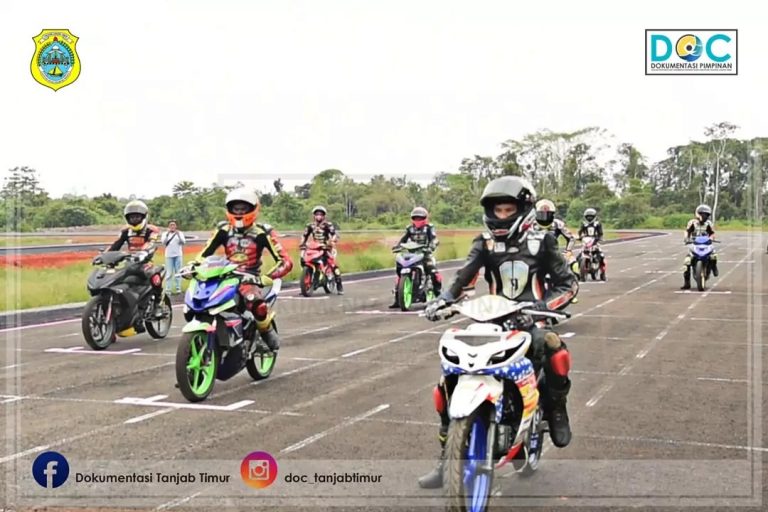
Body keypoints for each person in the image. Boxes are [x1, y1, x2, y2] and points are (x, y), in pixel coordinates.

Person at [417, 176, 578, 489]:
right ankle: (446, 459)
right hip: (491, 321)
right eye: (497, 210)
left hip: (532, 320)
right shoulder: (484, 242)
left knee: (551, 345)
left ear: (524, 209)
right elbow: (463, 278)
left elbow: (567, 284)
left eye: (508, 209)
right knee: (451, 374)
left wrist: (543, 307)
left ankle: (557, 409)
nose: (502, 215)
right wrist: (443, 300)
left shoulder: (543, 241)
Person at [194, 188, 293, 351]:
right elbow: (204, 253)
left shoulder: (263, 232)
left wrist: (265, 278)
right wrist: (194, 266)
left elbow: (286, 262)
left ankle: (267, 332)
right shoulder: (223, 229)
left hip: (249, 278)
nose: (239, 212)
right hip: (224, 276)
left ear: (253, 209)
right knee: (201, 299)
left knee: (257, 305)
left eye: (243, 208)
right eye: (236, 208)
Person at [107, 199, 164, 319]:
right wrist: (105, 255)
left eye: (137, 217)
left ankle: (158, 303)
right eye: (131, 217)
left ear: (144, 216)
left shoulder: (151, 230)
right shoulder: (125, 231)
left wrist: (144, 252)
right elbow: (116, 244)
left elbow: (151, 243)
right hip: (130, 262)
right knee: (116, 278)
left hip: (146, 261)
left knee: (154, 275)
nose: (134, 219)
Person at [389, 207, 443, 308]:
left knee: (433, 272)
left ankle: (439, 296)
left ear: (425, 218)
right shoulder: (410, 228)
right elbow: (403, 239)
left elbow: (434, 239)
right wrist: (398, 246)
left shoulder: (429, 228)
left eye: (420, 218)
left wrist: (431, 246)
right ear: (412, 218)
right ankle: (397, 298)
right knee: (400, 272)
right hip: (412, 254)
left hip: (425, 253)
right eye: (416, 218)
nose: (418, 220)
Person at [535, 199, 579, 303]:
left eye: (548, 213)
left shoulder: (558, 224)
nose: (545, 216)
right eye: (542, 214)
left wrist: (568, 251)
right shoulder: (531, 224)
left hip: (554, 254)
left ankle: (570, 292)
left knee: (574, 264)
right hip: (535, 254)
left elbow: (571, 238)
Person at [300, 206, 343, 295]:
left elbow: (334, 235)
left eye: (320, 214)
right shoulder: (310, 225)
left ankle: (339, 285)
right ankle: (305, 285)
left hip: (326, 247)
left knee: (333, 265)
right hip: (314, 247)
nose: (318, 216)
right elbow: (304, 235)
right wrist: (302, 244)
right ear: (314, 216)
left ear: (324, 216)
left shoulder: (328, 225)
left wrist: (331, 242)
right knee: (303, 260)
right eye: (317, 214)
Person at [681, 204, 718, 289]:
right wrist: (686, 238)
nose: (705, 216)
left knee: (713, 256)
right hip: (694, 244)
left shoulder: (709, 223)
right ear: (698, 214)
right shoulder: (692, 223)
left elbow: (712, 233)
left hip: (706, 244)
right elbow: (687, 232)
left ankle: (714, 267)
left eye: (707, 215)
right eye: (703, 214)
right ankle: (687, 283)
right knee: (687, 262)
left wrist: (711, 238)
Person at [577, 207, 606, 280]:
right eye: (588, 216)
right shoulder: (584, 224)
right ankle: (578, 273)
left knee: (601, 256)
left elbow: (600, 233)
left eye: (591, 216)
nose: (589, 218)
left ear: (594, 216)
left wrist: (599, 238)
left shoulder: (597, 224)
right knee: (578, 257)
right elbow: (580, 232)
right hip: (586, 241)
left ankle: (602, 273)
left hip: (595, 241)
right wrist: (580, 237)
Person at [161, 220, 186, 294]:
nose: (172, 226)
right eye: (171, 225)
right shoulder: (165, 234)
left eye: (173, 225)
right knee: (169, 273)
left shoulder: (180, 233)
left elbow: (183, 242)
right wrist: (167, 234)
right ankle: (168, 289)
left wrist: (178, 235)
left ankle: (178, 288)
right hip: (169, 255)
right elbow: (163, 242)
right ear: (168, 226)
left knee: (178, 272)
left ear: (176, 226)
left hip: (178, 255)